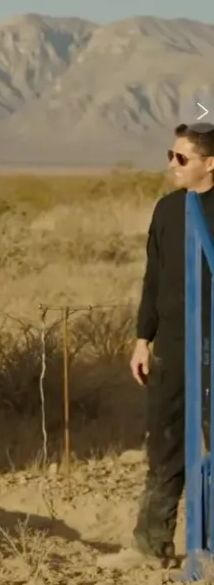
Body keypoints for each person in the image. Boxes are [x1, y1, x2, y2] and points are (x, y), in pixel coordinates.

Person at [99, 122, 214, 570]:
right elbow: (153, 279)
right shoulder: (168, 210)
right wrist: (142, 339)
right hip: (170, 347)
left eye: (181, 158)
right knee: (164, 445)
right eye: (170, 154)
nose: (171, 164)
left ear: (210, 163)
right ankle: (151, 546)